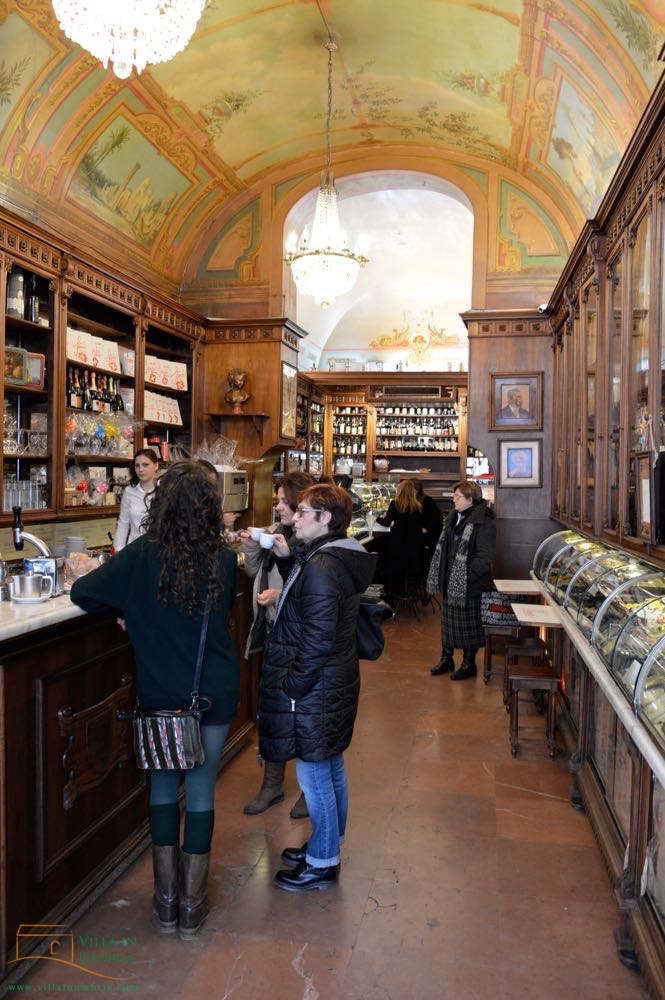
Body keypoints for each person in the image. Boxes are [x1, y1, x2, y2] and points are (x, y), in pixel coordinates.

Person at [71, 462, 240, 937]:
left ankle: (165, 903)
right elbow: (219, 611)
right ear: (210, 509)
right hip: (213, 686)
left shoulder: (141, 555)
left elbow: (84, 591)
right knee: (203, 789)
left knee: (164, 788)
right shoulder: (223, 558)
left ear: (160, 506)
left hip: (162, 689)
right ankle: (193, 903)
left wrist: (128, 610)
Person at [260, 483, 376, 891]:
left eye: (304, 511)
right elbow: (309, 602)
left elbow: (318, 635)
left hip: (317, 685)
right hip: (332, 680)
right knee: (330, 764)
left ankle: (323, 861)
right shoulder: (328, 557)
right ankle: (327, 842)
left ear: (326, 519)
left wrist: (294, 685)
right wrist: (289, 561)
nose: (294, 516)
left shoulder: (325, 566)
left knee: (313, 774)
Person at [239, 471, 315, 818]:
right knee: (272, 709)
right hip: (273, 633)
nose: (279, 507)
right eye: (279, 500)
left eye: (285, 501)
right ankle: (272, 784)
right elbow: (255, 571)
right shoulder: (279, 533)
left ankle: (307, 789)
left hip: (300, 639)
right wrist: (252, 547)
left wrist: (279, 595)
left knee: (303, 713)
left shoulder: (312, 541)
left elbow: (310, 592)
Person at [427, 480, 496, 680]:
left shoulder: (484, 521)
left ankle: (469, 664)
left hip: (469, 584)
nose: (454, 500)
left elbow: (484, 558)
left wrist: (465, 577)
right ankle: (446, 659)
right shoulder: (453, 517)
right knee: (448, 624)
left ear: (470, 499)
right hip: (451, 580)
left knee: (469, 627)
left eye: (457, 497)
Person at [376, 478, 428, 602]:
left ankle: (392, 593)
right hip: (414, 546)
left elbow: (387, 522)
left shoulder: (395, 504)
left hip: (398, 544)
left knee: (389, 563)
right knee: (407, 568)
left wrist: (376, 518)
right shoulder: (418, 506)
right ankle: (406, 590)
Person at [113, 448, 160, 551]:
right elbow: (123, 523)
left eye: (145, 465)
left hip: (157, 552)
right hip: (134, 551)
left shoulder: (165, 491)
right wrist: (118, 551)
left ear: (156, 466)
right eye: (137, 465)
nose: (141, 469)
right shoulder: (129, 491)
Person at [412, 478, 443, 558]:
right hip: (416, 536)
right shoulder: (410, 500)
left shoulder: (427, 500)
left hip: (426, 538)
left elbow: (437, 518)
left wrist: (426, 529)